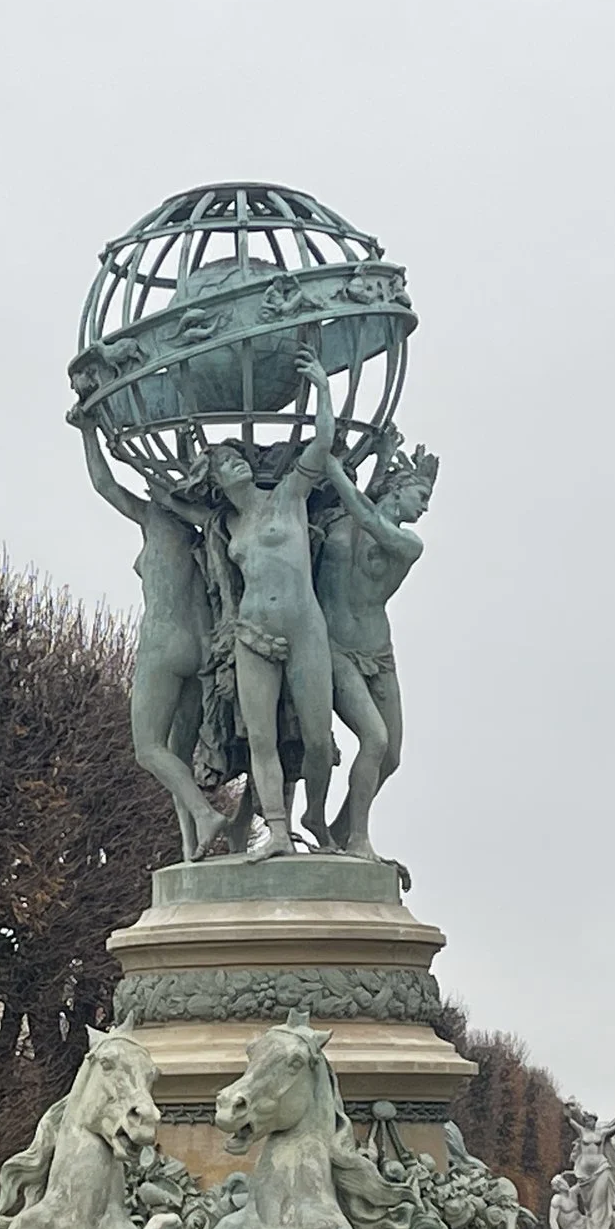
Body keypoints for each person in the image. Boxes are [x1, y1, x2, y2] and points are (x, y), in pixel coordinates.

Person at [201, 345, 340, 855]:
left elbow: (322, 443)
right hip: (253, 634)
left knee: (319, 741)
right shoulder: (227, 526)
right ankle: (277, 831)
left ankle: (316, 817)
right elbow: (150, 499)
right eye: (225, 465)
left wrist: (322, 387)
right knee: (261, 740)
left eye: (239, 459)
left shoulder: (287, 495)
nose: (236, 466)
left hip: (305, 627)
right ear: (217, 482)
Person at [81, 426, 224, 857]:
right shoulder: (204, 529)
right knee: (177, 754)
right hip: (202, 646)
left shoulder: (155, 518)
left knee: (149, 749)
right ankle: (190, 846)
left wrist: (87, 433)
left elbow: (104, 485)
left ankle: (204, 815)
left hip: (163, 641)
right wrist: (184, 445)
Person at [315, 432, 436, 861]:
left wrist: (327, 461)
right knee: (375, 739)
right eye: (421, 495)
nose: (425, 507)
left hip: (378, 653)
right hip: (332, 648)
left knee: (392, 756)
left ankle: (339, 827)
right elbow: (362, 505)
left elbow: (367, 516)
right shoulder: (338, 519)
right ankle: (358, 841)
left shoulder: (407, 543)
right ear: (397, 489)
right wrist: (379, 459)